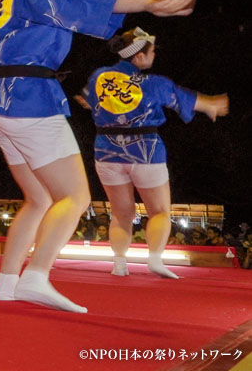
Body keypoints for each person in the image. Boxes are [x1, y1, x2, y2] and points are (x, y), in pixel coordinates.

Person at [0, 0, 197, 313]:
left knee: (39, 199)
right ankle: (36, 276)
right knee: (74, 197)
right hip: (29, 101)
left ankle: (7, 282)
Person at [81, 27, 228, 278]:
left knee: (121, 213)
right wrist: (212, 105)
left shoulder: (99, 76)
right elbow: (191, 101)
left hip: (106, 151)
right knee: (159, 211)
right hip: (146, 151)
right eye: (151, 52)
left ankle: (119, 263)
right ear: (139, 57)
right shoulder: (154, 83)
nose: (154, 56)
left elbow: (88, 100)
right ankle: (155, 259)